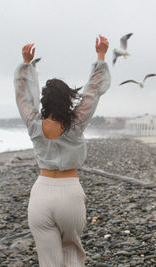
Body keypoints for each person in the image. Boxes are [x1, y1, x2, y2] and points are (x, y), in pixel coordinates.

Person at [14, 34, 110, 267]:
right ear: (68, 99)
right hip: (69, 193)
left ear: (44, 101)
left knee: (49, 261)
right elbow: (92, 91)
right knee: (71, 254)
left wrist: (26, 65)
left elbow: (22, 96)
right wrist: (101, 55)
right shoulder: (76, 123)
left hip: (41, 193)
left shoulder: (34, 123)